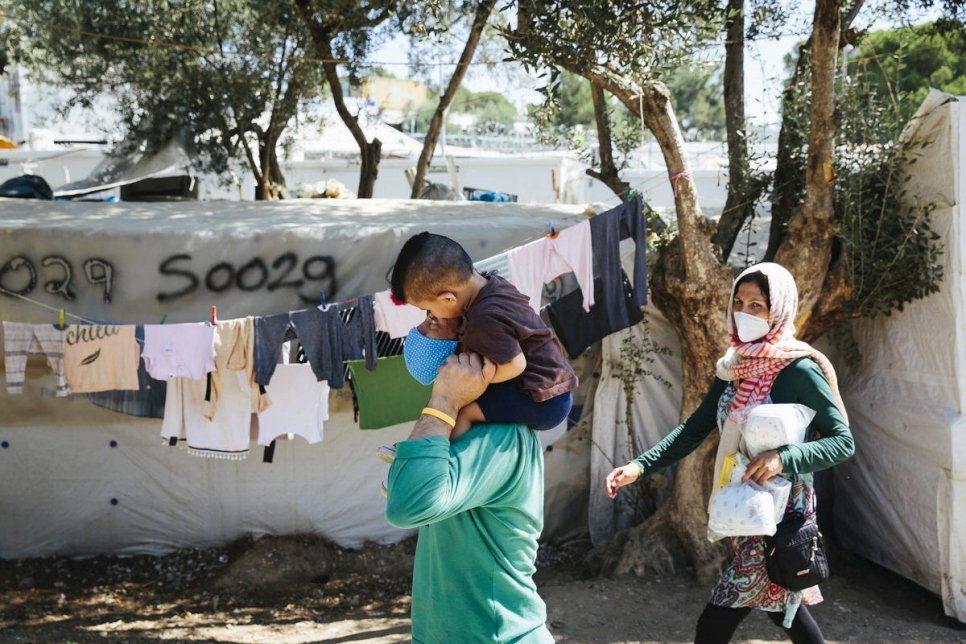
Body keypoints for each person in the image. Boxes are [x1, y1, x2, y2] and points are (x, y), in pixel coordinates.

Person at [604, 262, 854, 644]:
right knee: (785, 611)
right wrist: (639, 467)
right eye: (739, 302)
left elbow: (842, 441)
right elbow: (695, 427)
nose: (744, 313)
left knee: (717, 624)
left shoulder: (800, 370)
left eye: (757, 305)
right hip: (745, 510)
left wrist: (782, 458)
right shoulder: (734, 369)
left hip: (780, 518)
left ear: (779, 309)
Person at [385, 350, 555, 644]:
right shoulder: (467, 430)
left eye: (434, 318)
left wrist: (444, 401)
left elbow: (405, 505)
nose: (422, 329)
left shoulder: (501, 438)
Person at [378, 231, 577, 462]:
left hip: (544, 399)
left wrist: (476, 380)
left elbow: (515, 363)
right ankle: (419, 446)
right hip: (547, 387)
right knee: (453, 395)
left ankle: (433, 462)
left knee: (463, 410)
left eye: (429, 310)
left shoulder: (484, 317)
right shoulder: (494, 285)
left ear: (448, 299)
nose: (431, 316)